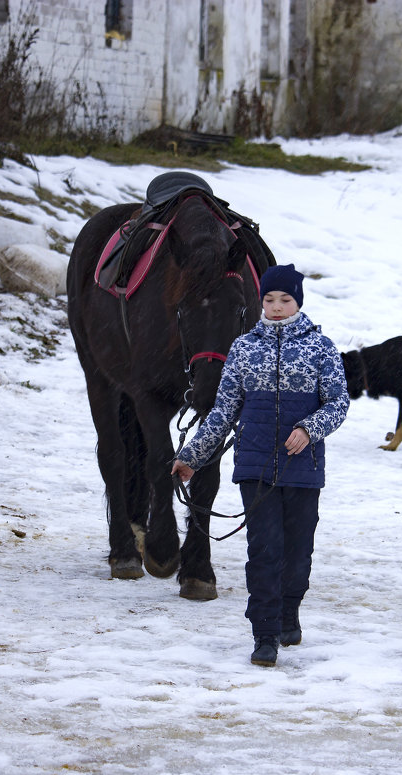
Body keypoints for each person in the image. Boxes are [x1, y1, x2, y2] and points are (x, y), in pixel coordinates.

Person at [171, 263, 349, 667]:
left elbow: (339, 403)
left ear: (298, 302)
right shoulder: (244, 347)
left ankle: (289, 611)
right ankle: (264, 632)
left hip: (303, 467)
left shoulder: (321, 348)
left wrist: (309, 428)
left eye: (285, 300)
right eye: (269, 299)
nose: (276, 307)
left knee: (298, 553)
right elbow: (224, 410)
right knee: (264, 550)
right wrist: (192, 457)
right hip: (254, 466)